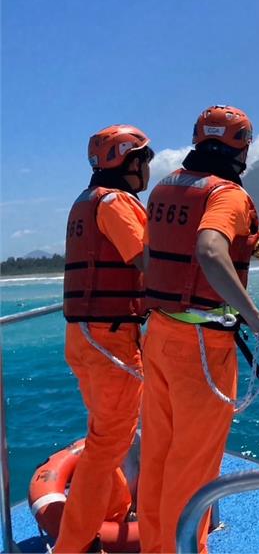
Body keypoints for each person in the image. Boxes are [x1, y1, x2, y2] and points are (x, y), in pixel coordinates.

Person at [137, 105, 259, 554]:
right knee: (192, 467)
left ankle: (159, 547)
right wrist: (255, 316)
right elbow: (210, 250)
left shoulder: (163, 187)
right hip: (200, 344)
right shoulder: (228, 196)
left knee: (158, 456)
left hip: (159, 334)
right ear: (242, 146)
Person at [56, 125, 154, 553]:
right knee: (106, 445)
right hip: (110, 341)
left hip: (83, 337)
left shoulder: (85, 200)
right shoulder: (116, 204)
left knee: (105, 437)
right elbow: (148, 262)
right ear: (127, 162)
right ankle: (72, 546)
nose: (148, 167)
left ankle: (114, 513)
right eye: (144, 159)